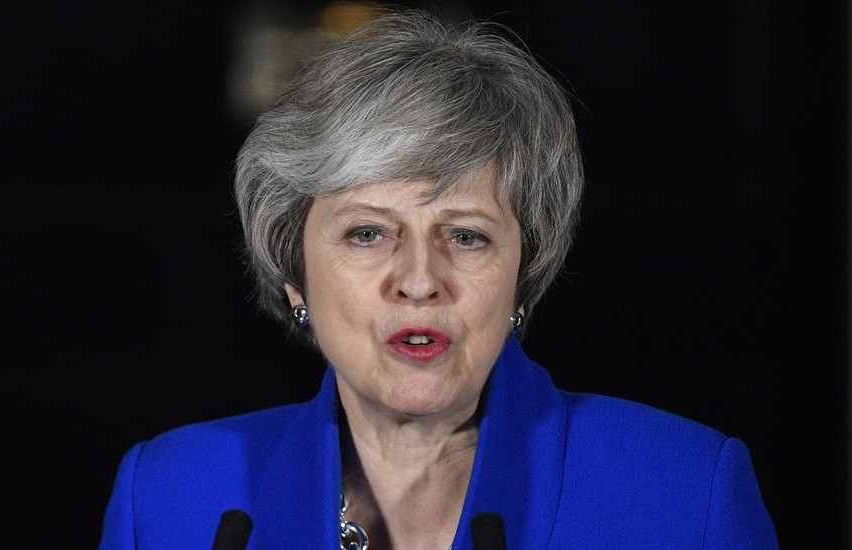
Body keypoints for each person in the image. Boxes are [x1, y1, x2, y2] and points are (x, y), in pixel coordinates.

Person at [99, 10, 778, 549]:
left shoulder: (686, 493)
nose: (419, 281)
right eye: (367, 233)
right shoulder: (171, 497)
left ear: (522, 274)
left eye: (465, 235)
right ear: (293, 275)